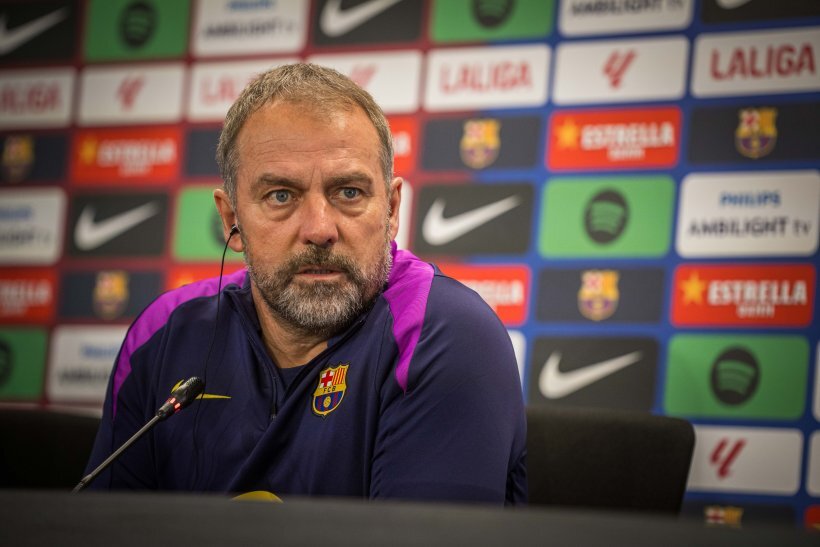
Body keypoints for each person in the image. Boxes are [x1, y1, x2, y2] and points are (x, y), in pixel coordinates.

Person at [84, 63, 527, 504]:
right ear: (231, 218)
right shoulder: (163, 333)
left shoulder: (443, 333)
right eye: (281, 196)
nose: (319, 229)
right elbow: (105, 530)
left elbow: (416, 535)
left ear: (392, 210)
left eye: (349, 192)